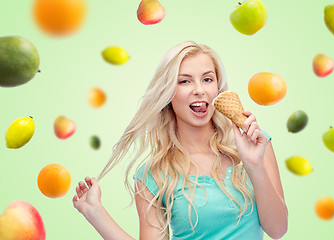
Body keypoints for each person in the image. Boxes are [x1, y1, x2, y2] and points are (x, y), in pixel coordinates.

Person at [73, 41, 288, 240]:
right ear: (167, 94)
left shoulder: (256, 144)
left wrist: (254, 165)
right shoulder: (154, 174)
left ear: (217, 88)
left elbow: (277, 229)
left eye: (207, 79)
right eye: (185, 81)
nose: (199, 90)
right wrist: (95, 213)